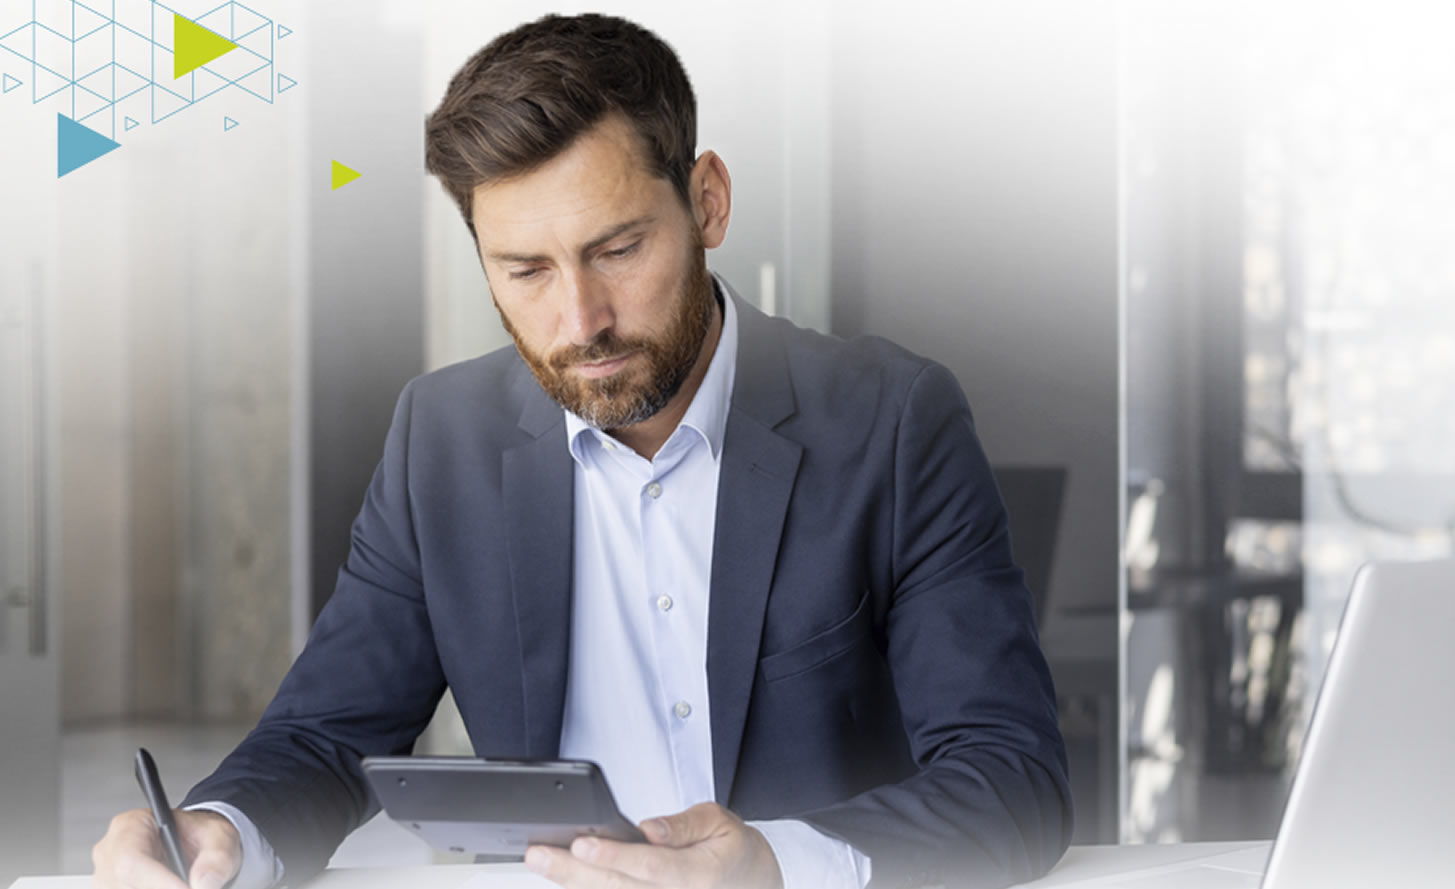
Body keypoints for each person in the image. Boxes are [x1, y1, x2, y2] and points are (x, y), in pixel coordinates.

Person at [92, 13, 1072, 889]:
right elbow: (321, 736)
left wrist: (775, 864)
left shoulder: (890, 421)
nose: (581, 321)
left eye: (617, 250)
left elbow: (1010, 775)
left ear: (709, 203)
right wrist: (216, 829)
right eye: (525, 270)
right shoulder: (442, 438)